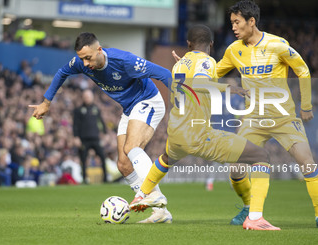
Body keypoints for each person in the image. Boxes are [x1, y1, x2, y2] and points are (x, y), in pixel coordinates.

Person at [130, 24, 281, 230]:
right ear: (211, 43)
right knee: (261, 157)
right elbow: (200, 85)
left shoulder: (179, 65)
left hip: (176, 132)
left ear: (188, 44)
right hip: (198, 134)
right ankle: (254, 216)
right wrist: (230, 88)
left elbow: (183, 89)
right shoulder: (208, 62)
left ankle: (141, 195)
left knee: (165, 160)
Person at [29, 32, 172, 223]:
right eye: (82, 59)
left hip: (149, 101)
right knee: (123, 164)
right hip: (130, 109)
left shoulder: (124, 61)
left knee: (131, 148)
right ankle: (160, 211)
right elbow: (62, 72)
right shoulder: (82, 63)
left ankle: (152, 195)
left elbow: (165, 74)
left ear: (99, 50)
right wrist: (46, 102)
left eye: (88, 58)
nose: (85, 64)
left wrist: (183, 104)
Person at [214, 0, 318, 229]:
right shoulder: (234, 50)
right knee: (236, 170)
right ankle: (250, 209)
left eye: (237, 22)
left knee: (307, 163)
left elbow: (302, 69)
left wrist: (306, 105)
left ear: (251, 22)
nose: (233, 27)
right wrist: (191, 67)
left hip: (283, 117)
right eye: (232, 23)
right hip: (253, 119)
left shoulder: (277, 44)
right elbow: (213, 73)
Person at [73, 89, 107, 183]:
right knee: (83, 159)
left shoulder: (96, 109)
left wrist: (105, 134)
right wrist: (76, 137)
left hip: (95, 138)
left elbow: (101, 122)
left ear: (92, 97)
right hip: (83, 139)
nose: (87, 98)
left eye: (88, 97)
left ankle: (105, 178)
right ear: (83, 98)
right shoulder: (78, 110)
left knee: (102, 157)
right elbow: (75, 125)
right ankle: (85, 178)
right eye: (85, 97)